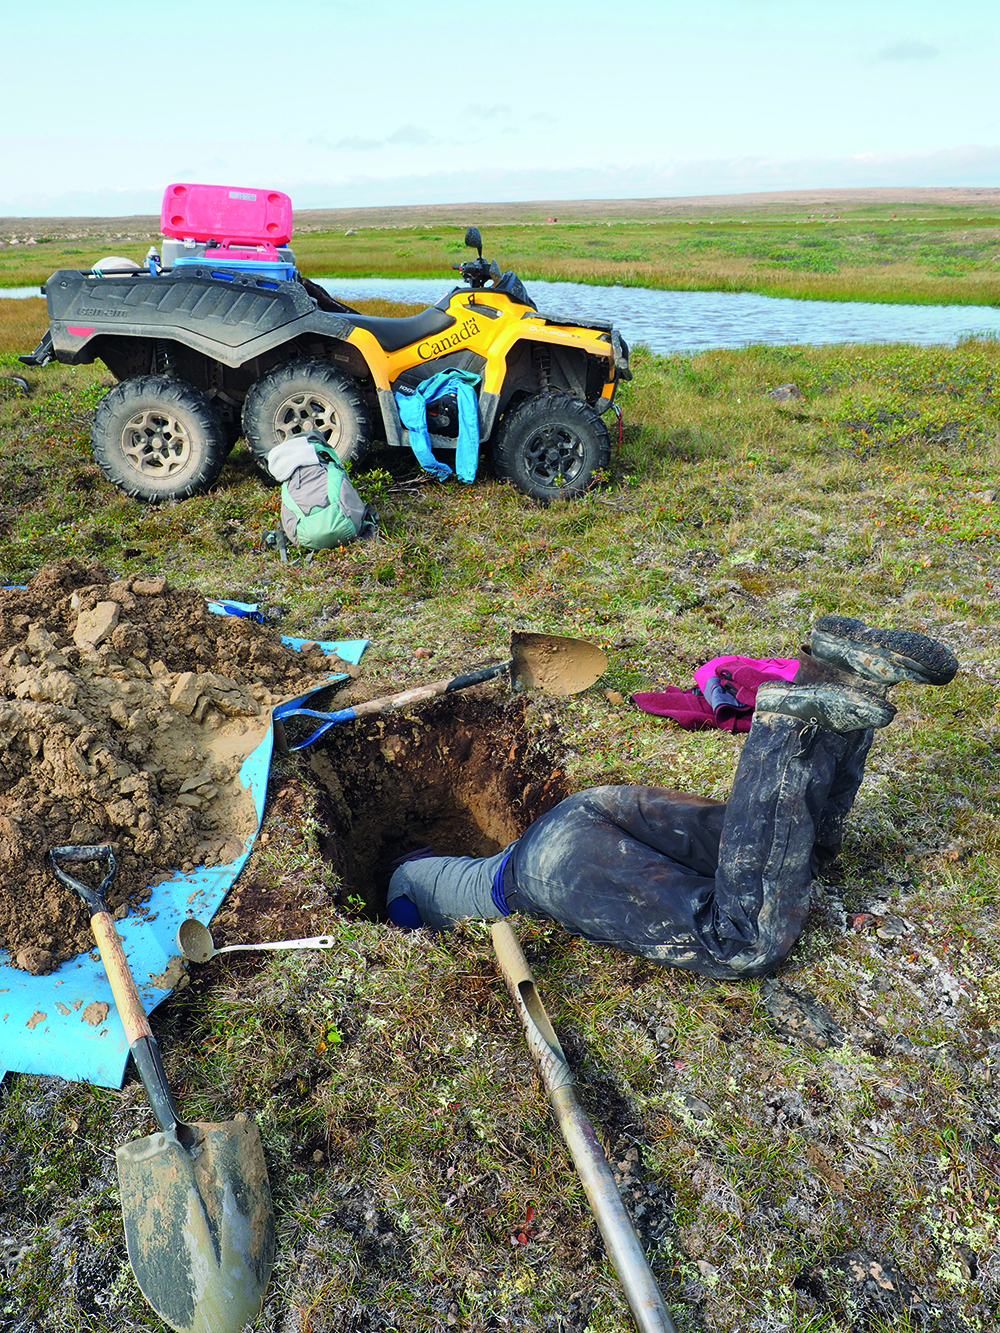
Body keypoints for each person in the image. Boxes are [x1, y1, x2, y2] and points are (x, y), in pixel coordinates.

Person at [386, 617, 958, 979]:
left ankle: (791, 722)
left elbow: (407, 926)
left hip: (550, 871)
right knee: (785, 852)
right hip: (578, 816)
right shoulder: (425, 868)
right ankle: (837, 671)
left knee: (743, 939)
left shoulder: (400, 889)